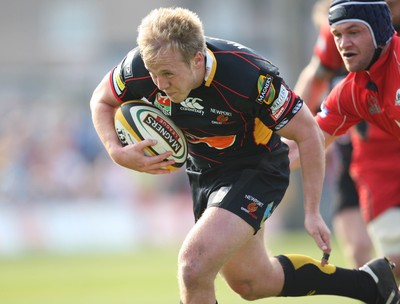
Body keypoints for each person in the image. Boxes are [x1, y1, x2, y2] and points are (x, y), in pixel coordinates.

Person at [90, 6, 399, 303]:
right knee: (252, 282)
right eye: (154, 73)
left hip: (256, 169)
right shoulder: (140, 67)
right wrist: (116, 151)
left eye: (168, 74)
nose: (159, 84)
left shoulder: (251, 79)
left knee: (193, 266)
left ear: (198, 60)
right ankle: (370, 285)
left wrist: (312, 210)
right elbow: (102, 100)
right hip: (204, 171)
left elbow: (309, 132)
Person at [289, 0, 400, 283]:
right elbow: (306, 143)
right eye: (338, 35)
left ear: (379, 30)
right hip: (374, 160)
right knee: (393, 263)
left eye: (353, 32)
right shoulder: (349, 92)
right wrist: (246, 162)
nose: (344, 43)